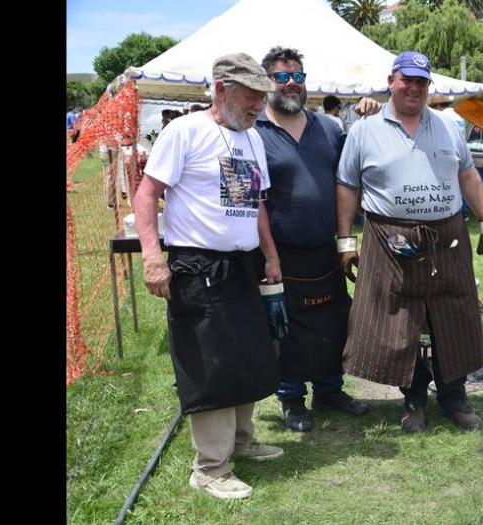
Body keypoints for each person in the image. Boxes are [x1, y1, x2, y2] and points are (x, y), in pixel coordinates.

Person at [133, 52, 285, 500]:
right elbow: (147, 195)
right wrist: (152, 256)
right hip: (198, 266)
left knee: (249, 355)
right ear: (221, 89)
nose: (259, 105)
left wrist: (270, 256)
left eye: (263, 97)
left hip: (242, 265)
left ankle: (242, 440)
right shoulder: (186, 132)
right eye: (252, 96)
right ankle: (210, 467)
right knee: (213, 364)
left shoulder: (253, 138)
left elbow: (257, 205)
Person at [335, 51, 483, 433]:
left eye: (421, 82)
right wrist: (345, 240)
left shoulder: (446, 126)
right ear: (391, 81)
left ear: (428, 87)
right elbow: (346, 185)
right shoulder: (364, 129)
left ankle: (453, 396)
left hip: (448, 239)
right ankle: (413, 397)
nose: (413, 87)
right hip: (388, 239)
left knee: (454, 317)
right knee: (395, 322)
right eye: (406, 79)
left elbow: (468, 176)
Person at [254, 46, 379, 432]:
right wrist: (268, 254)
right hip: (278, 251)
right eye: (282, 77)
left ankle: (330, 389)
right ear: (266, 83)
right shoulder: (253, 132)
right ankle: (291, 399)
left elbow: (350, 177)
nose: (292, 84)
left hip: (326, 247)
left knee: (332, 320)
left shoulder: (329, 128)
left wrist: (372, 116)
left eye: (298, 77)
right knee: (286, 329)